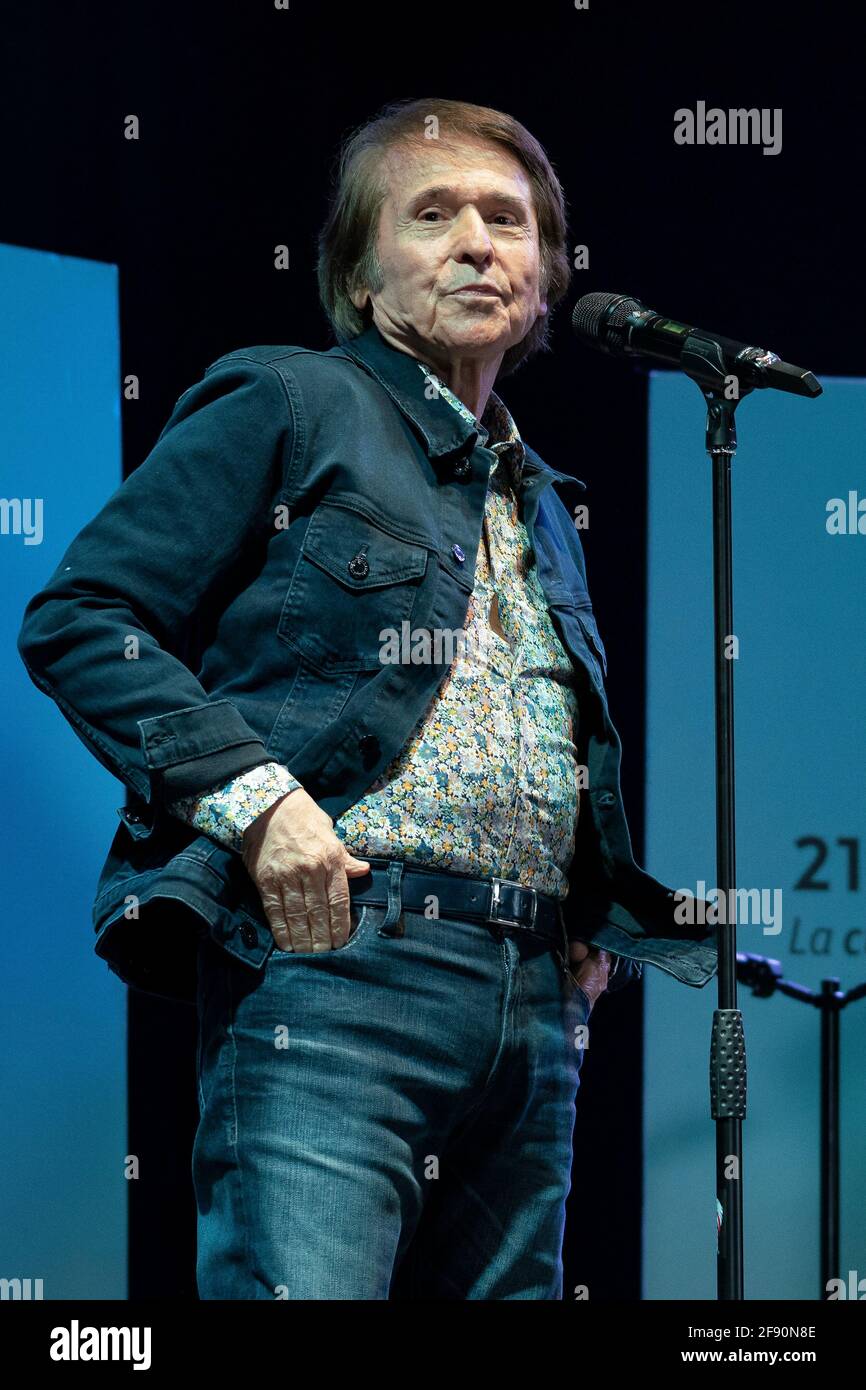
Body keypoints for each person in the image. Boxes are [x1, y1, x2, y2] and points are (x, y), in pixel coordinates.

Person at [17, 97, 717, 1299]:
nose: (476, 242)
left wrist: (586, 910)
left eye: (507, 220)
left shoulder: (541, 499)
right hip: (337, 966)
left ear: (546, 277)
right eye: (431, 213)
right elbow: (83, 617)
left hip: (528, 1004)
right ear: (355, 268)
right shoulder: (293, 402)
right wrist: (255, 802)